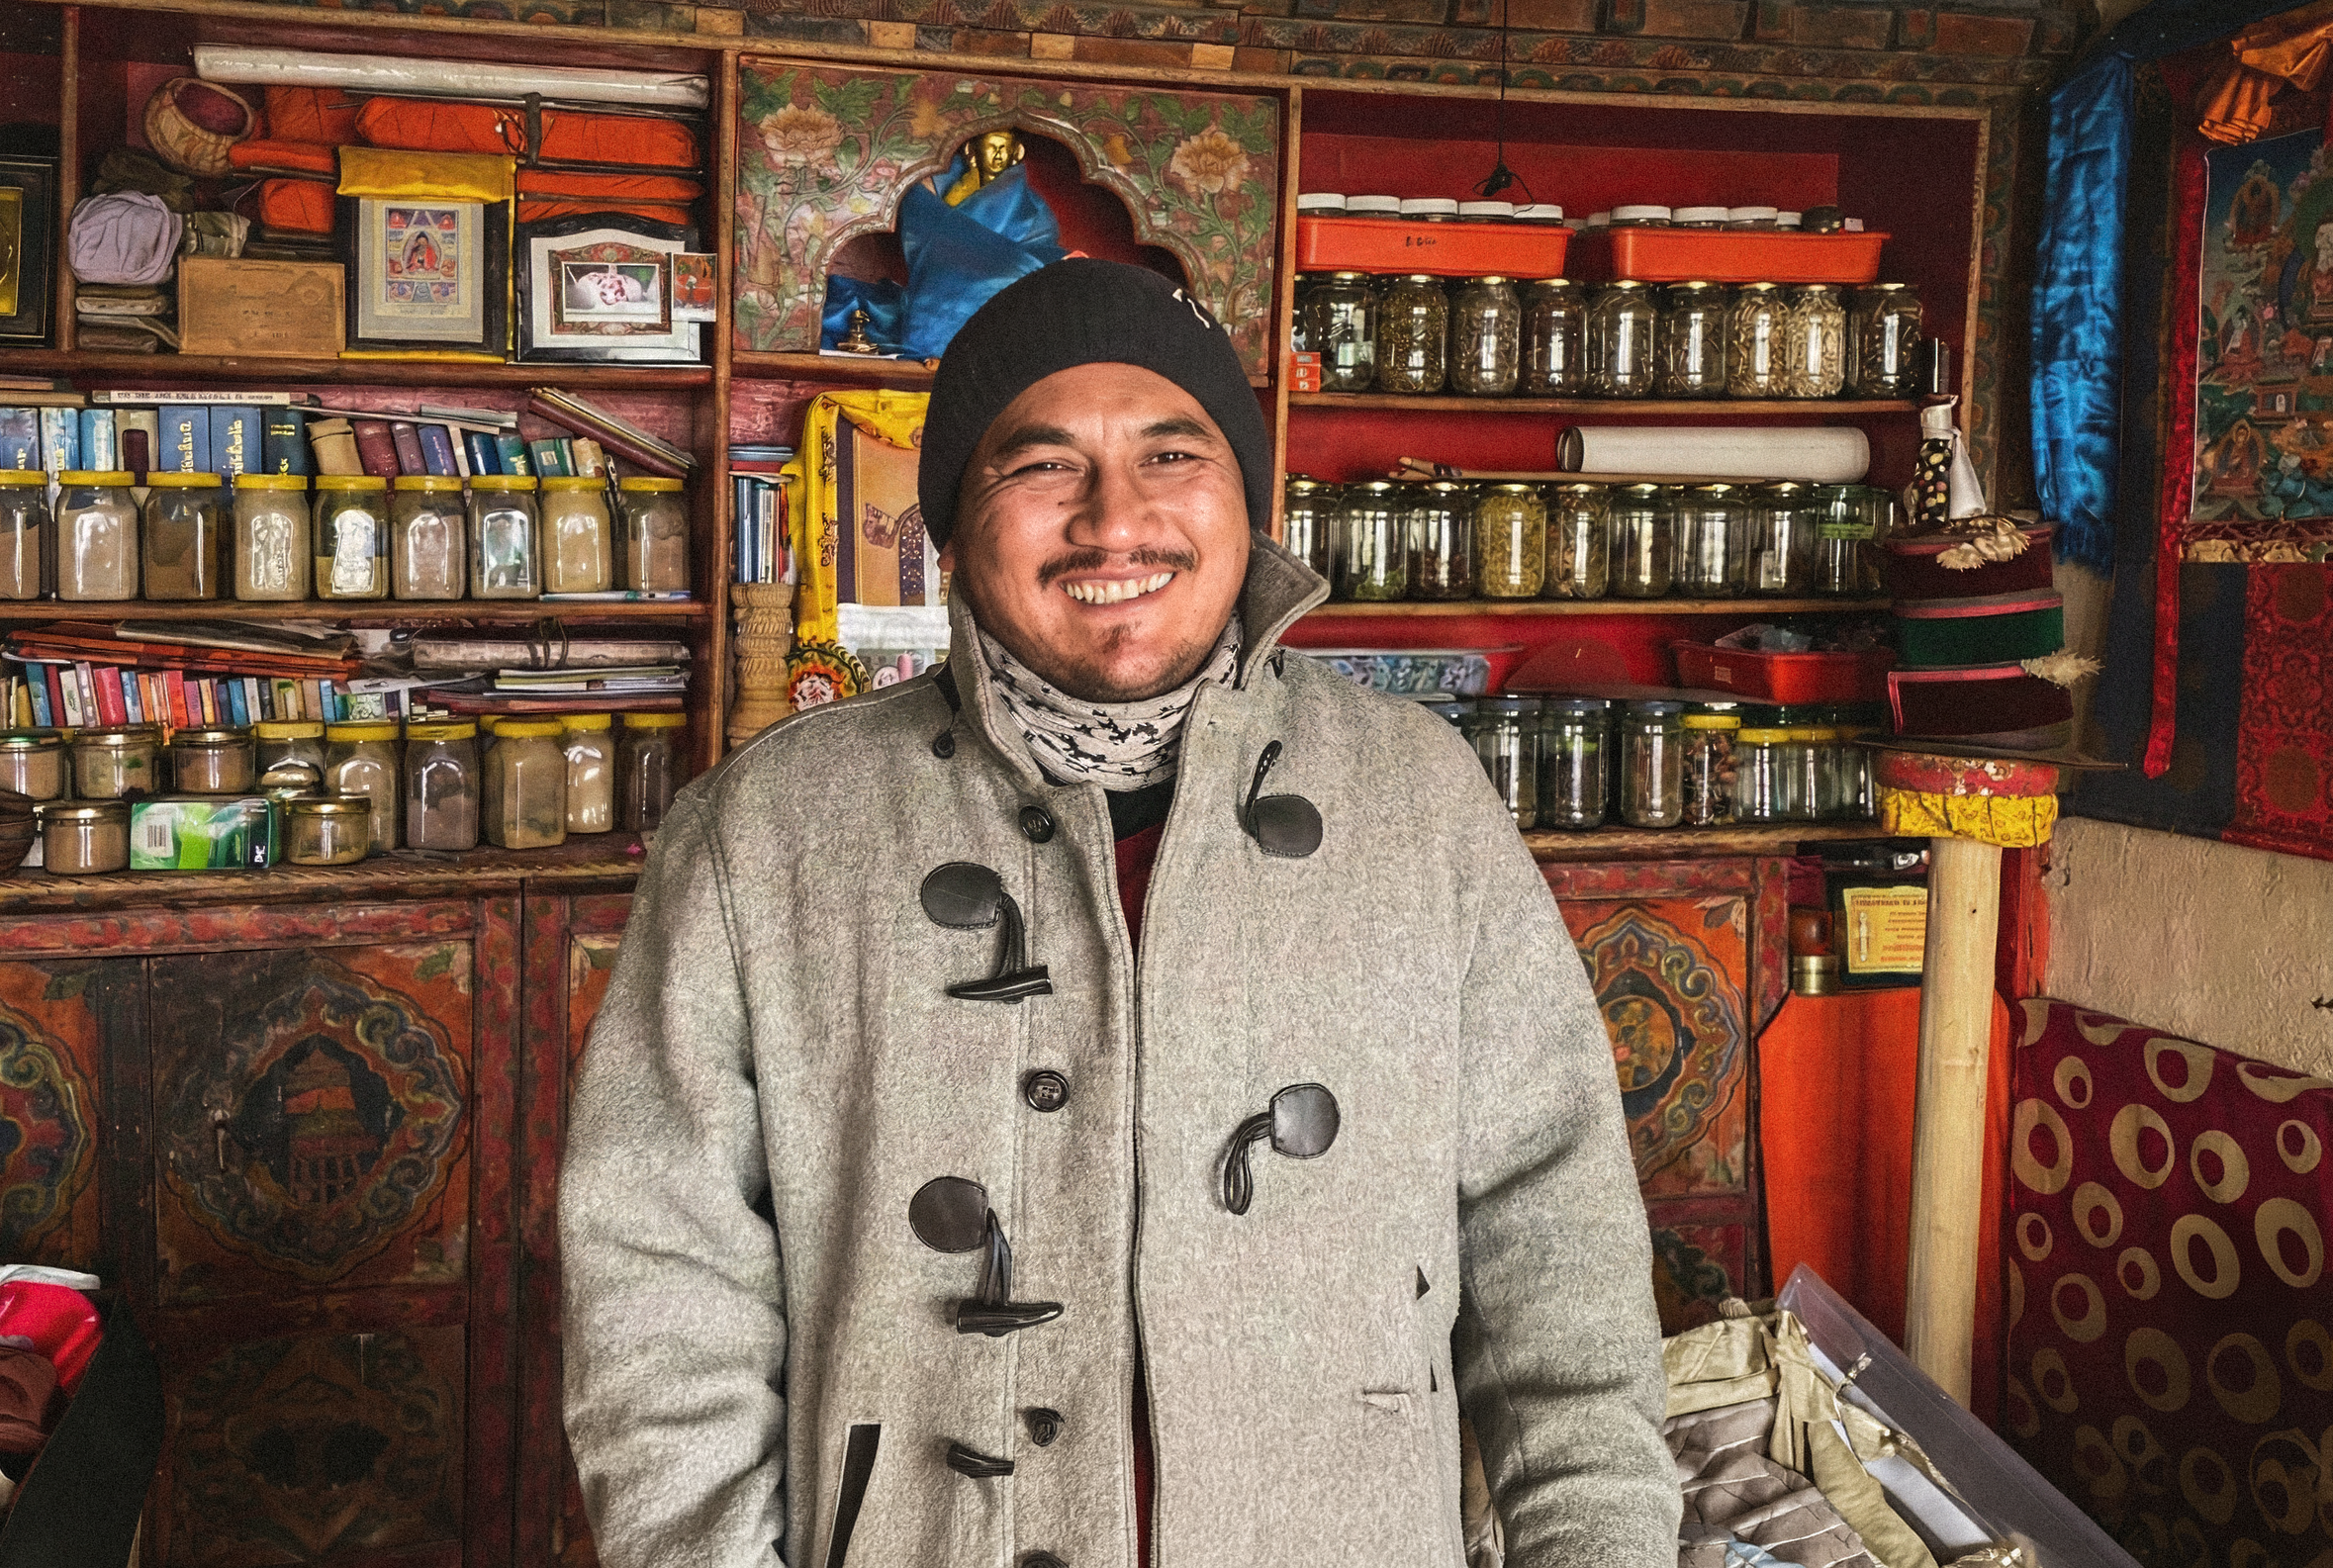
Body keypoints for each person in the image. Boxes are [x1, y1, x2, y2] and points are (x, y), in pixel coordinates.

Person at [561, 258, 1679, 1568]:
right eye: (1041, 468)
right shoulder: (767, 832)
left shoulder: (1417, 801)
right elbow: (659, 1291)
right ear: (953, 523)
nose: (1113, 522)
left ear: (1242, 500)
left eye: (1170, 456)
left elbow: (1560, 1250)